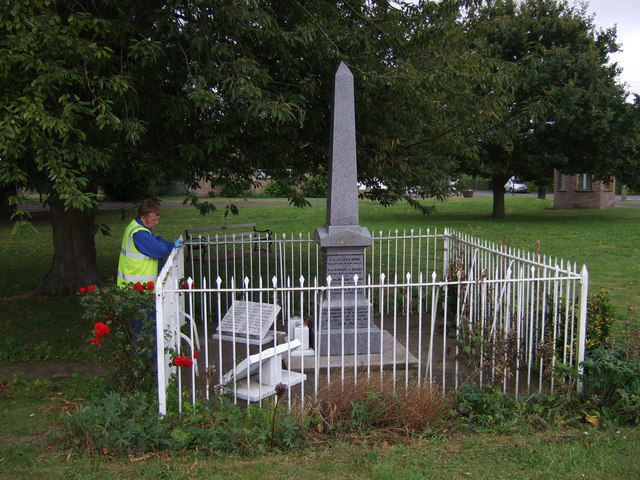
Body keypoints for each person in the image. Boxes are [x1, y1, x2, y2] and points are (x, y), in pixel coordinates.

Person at [117, 199, 183, 287]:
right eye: (153, 220)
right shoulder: (140, 233)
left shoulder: (136, 226)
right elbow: (160, 250)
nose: (157, 223)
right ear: (143, 218)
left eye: (157, 219)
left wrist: (168, 243)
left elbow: (155, 240)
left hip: (136, 284)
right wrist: (171, 245)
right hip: (139, 287)